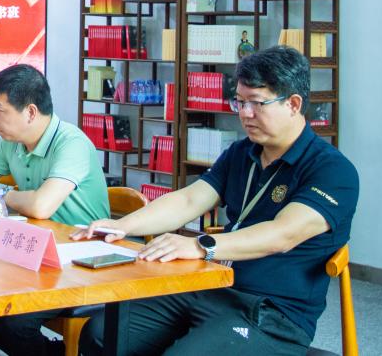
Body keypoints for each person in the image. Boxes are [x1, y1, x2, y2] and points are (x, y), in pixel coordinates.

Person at [75, 46, 359, 355]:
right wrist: (122, 226)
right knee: (102, 333)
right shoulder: (242, 152)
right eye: (240, 101)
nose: (245, 113)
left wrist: (201, 246)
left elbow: (282, 234)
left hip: (272, 313)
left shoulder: (332, 170)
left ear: (293, 104)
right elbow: (189, 200)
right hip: (211, 285)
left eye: (257, 103)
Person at [0, 63, 110, 356]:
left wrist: (7, 196)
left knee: (12, 320)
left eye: (0, 109)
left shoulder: (71, 143)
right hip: (33, 255)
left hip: (78, 261)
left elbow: (40, 206)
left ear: (31, 112)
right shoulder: (10, 143)